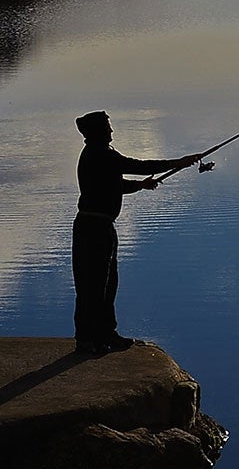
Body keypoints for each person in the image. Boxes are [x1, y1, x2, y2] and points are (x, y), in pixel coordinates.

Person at [72, 112, 201, 355]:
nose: (112, 132)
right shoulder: (102, 154)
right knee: (93, 285)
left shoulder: (96, 156)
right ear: (98, 132)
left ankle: (105, 335)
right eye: (108, 128)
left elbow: (116, 185)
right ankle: (89, 340)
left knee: (107, 284)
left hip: (98, 227)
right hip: (94, 230)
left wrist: (140, 186)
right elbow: (137, 166)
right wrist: (177, 162)